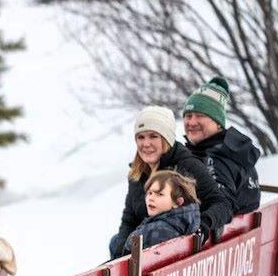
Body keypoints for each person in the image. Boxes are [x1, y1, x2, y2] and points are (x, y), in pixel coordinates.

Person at [108, 105, 232, 260]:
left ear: (166, 138)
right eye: (141, 137)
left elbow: (223, 204)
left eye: (153, 136)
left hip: (176, 253)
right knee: (115, 242)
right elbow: (129, 219)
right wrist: (120, 257)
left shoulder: (187, 165)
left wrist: (203, 226)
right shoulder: (137, 172)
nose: (146, 144)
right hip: (145, 250)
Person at [182, 76, 261, 216]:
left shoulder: (217, 158)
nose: (192, 122)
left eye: (200, 115)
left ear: (218, 122)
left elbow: (221, 203)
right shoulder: (231, 150)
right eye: (188, 116)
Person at [113, 170, 200, 257]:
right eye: (150, 193)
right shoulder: (190, 222)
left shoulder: (152, 232)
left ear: (178, 202)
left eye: (159, 194)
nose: (151, 198)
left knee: (114, 243)